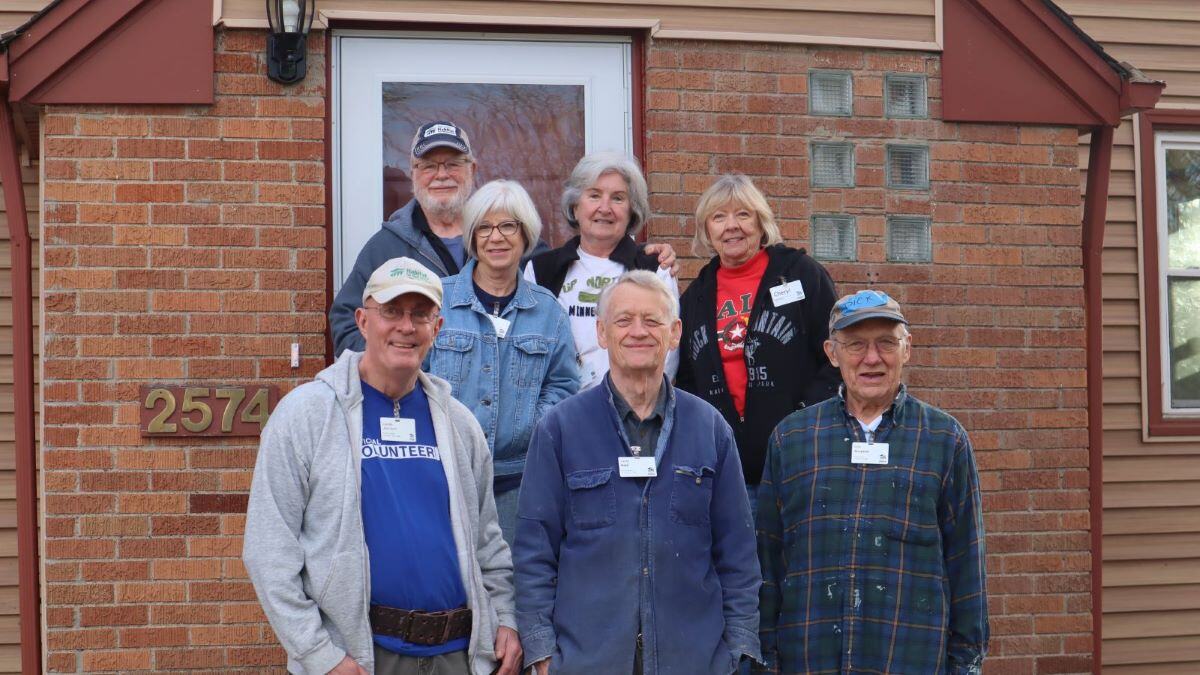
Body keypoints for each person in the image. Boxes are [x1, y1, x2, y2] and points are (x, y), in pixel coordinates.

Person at [243, 257, 522, 675]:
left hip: (458, 656)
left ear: (438, 328)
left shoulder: (459, 424)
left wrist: (506, 618)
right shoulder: (307, 415)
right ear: (362, 320)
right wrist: (321, 656)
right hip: (361, 658)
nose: (406, 327)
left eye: (420, 314)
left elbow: (489, 542)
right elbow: (269, 551)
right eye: (391, 311)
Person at [514, 271, 761, 675]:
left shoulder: (710, 428)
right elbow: (533, 551)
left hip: (694, 661)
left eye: (652, 320)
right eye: (624, 320)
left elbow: (738, 556)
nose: (638, 332)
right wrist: (541, 653)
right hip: (585, 661)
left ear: (675, 331)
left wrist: (735, 652)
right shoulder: (560, 428)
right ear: (602, 333)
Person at [756, 290, 988, 674]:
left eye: (886, 343)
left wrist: (966, 664)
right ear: (832, 353)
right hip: (809, 659)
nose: (872, 358)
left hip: (909, 659)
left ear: (907, 348)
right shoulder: (792, 439)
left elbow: (967, 564)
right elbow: (767, 561)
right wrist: (764, 657)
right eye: (855, 345)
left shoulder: (945, 440)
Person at [426, 180, 580, 546]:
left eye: (508, 226)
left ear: (525, 235)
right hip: (446, 474)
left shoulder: (548, 312)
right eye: (484, 227)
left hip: (520, 483)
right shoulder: (437, 300)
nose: (496, 237)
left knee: (511, 588)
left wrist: (532, 424)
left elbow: (564, 385)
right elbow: (415, 374)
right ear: (473, 237)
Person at [675, 174, 840, 501]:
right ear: (707, 230)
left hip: (798, 462)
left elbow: (838, 355)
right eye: (719, 217)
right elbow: (687, 379)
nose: (731, 226)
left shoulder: (800, 275)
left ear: (761, 223)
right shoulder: (694, 297)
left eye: (743, 214)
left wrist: (803, 416)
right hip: (724, 471)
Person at [525, 151, 679, 389]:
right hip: (562, 412)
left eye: (618, 198)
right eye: (594, 196)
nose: (605, 208)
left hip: (633, 409)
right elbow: (531, 348)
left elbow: (668, 352)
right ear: (575, 206)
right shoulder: (541, 269)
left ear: (631, 211)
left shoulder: (653, 267)